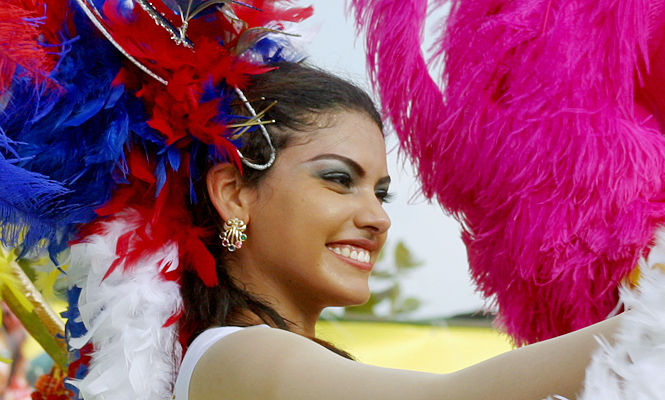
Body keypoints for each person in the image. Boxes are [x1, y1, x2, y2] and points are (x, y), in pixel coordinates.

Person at [171, 61, 625, 400]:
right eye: (339, 179)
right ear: (233, 193)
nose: (378, 218)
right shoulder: (236, 356)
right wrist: (645, 324)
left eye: (381, 193)